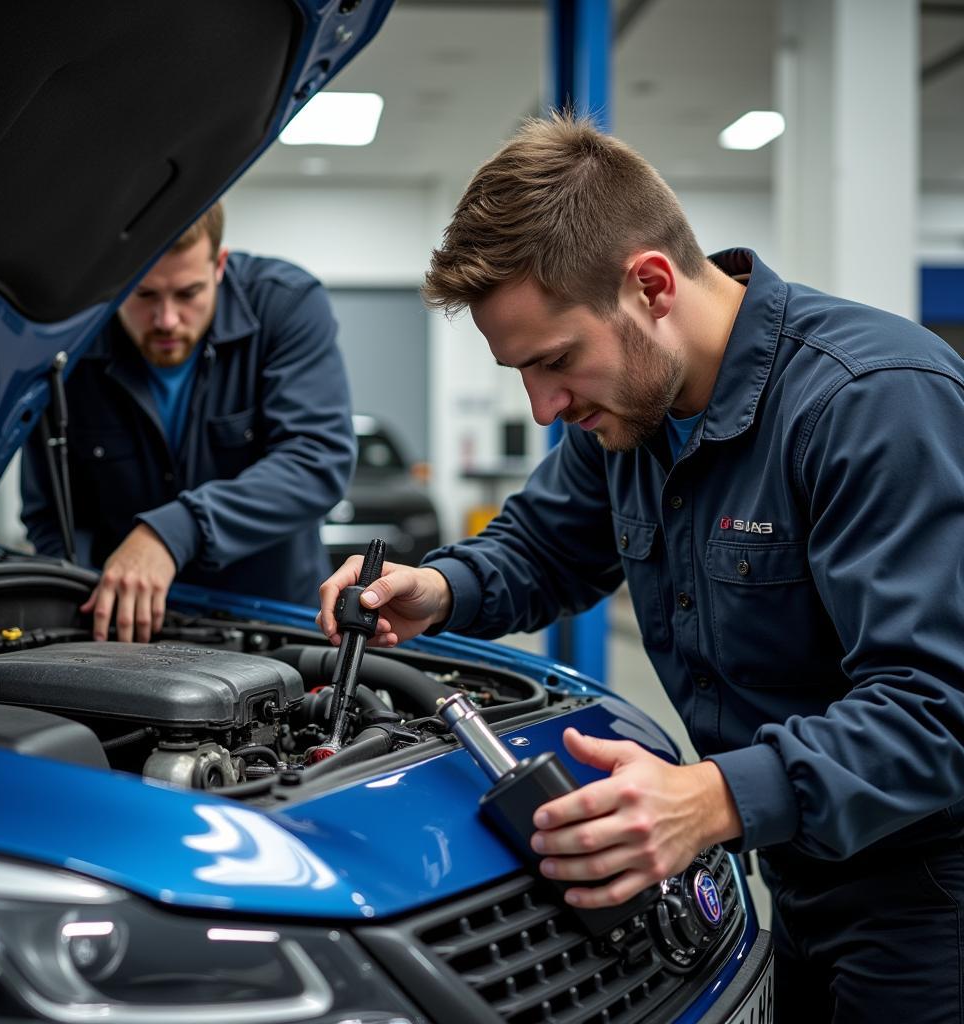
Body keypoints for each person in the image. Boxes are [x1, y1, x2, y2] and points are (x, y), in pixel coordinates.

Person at [318, 114, 964, 1021]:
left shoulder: (872, 404)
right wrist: (438, 589)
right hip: (797, 870)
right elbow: (543, 547)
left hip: (931, 893)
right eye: (521, 373)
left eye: (555, 362)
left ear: (651, 286)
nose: (544, 408)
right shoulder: (632, 416)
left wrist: (709, 799)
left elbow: (937, 710)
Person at [22, 201, 356, 643]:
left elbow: (318, 460)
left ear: (219, 265)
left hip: (274, 627)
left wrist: (172, 532)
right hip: (124, 635)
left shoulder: (285, 304)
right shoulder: (69, 344)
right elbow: (52, 513)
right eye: (143, 295)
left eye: (187, 293)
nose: (166, 320)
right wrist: (82, 599)